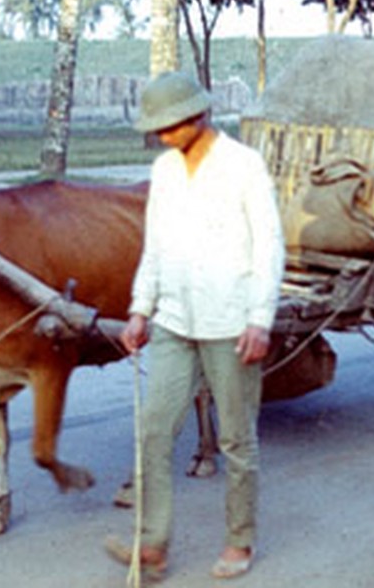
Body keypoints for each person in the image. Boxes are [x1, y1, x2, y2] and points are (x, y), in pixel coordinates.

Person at [105, 71, 285, 581]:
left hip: (231, 322)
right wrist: (141, 309)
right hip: (173, 323)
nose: (161, 136)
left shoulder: (243, 166)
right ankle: (154, 545)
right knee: (154, 431)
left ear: (199, 117)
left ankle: (240, 540)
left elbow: (269, 245)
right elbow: (155, 246)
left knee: (235, 439)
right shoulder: (164, 171)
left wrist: (259, 319)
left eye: (169, 126)